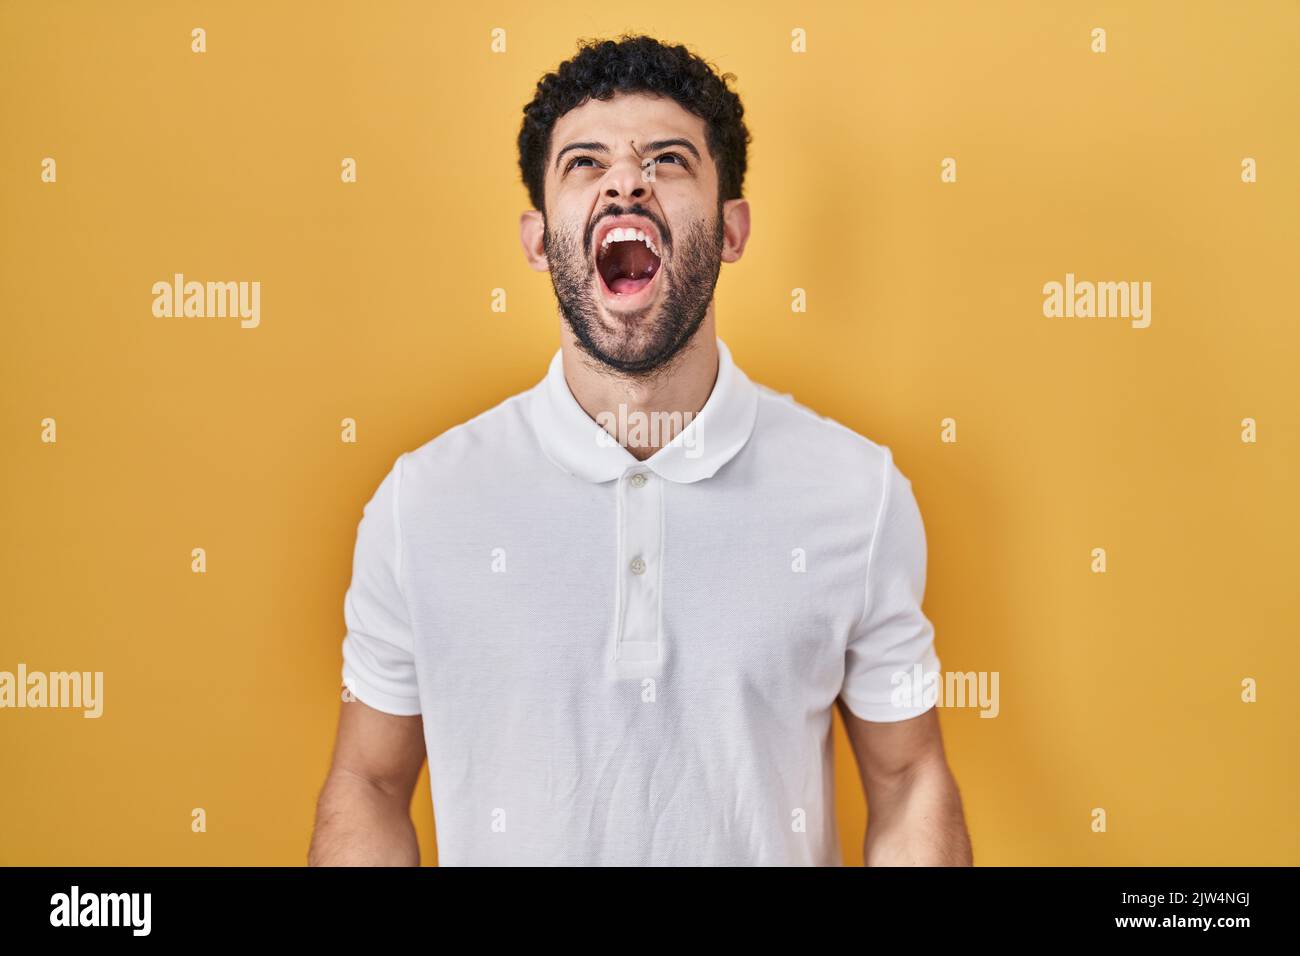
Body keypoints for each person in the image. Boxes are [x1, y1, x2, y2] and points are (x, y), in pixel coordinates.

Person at [309, 34, 971, 866]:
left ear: (732, 231)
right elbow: (368, 786)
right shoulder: (422, 505)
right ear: (541, 239)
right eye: (585, 163)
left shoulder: (857, 493)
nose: (627, 180)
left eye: (668, 160)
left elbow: (910, 780)